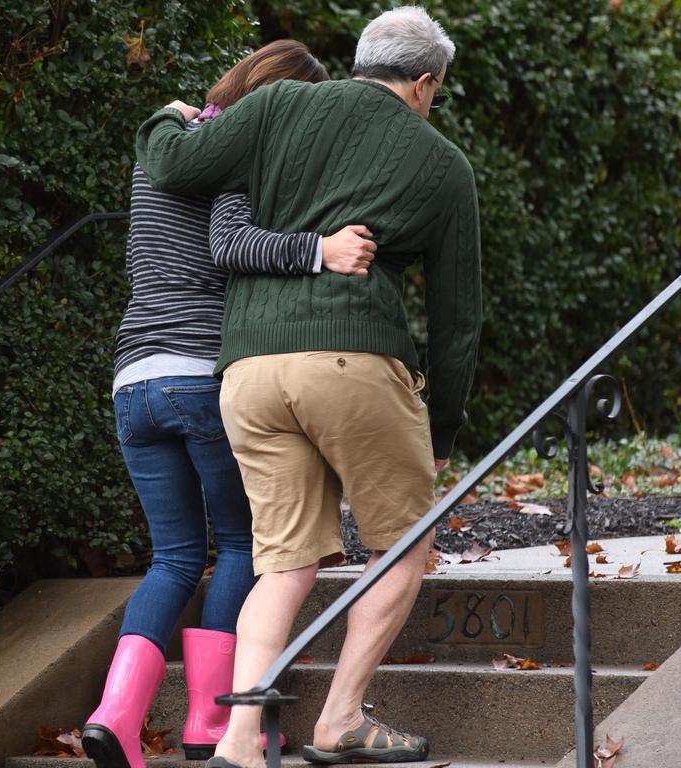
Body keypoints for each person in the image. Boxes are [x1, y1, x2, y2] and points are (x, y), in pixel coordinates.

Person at [134, 6, 482, 768]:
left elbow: (174, 164)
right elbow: (458, 320)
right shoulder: (442, 163)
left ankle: (238, 740)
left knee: (285, 561)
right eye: (437, 89)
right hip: (353, 360)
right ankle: (341, 717)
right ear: (424, 83)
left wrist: (161, 118)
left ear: (361, 59)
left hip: (249, 372)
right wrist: (444, 427)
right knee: (406, 543)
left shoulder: (276, 104)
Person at [81, 40, 379, 768]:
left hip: (133, 381)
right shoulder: (239, 156)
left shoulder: (166, 144)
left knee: (174, 559)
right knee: (245, 548)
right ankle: (214, 724)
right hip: (201, 377)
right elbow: (231, 243)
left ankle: (116, 716)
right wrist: (322, 250)